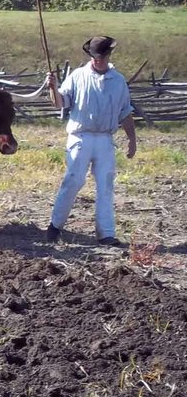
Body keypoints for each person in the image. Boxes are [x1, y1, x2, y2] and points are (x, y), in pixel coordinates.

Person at [45, 35, 137, 246]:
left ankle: (106, 233)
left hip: (105, 138)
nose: (98, 60)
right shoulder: (78, 76)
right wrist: (52, 87)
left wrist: (132, 139)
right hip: (80, 136)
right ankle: (55, 226)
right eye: (95, 56)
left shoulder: (118, 81)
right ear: (90, 56)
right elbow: (60, 103)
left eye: (102, 56)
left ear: (108, 55)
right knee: (74, 180)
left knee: (105, 185)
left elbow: (125, 112)